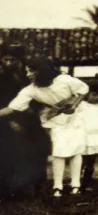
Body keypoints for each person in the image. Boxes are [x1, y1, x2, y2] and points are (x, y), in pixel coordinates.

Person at [0, 57, 89, 197]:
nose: (28, 74)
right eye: (27, 71)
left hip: (76, 117)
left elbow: (84, 89)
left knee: (76, 149)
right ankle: (57, 186)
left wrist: (74, 105)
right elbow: (13, 108)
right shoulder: (30, 90)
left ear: (42, 71)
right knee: (58, 150)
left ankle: (75, 185)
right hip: (53, 118)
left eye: (31, 71)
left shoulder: (64, 80)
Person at [0, 44, 49, 202]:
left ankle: (37, 190)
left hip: (31, 121)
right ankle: (9, 192)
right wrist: (9, 122)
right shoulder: (1, 77)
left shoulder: (28, 74)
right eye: (5, 59)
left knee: (36, 153)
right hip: (7, 122)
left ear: (19, 60)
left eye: (12, 60)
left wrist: (33, 111)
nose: (9, 63)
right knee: (9, 157)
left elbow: (38, 96)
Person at [80, 80, 98, 191]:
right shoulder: (82, 105)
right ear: (87, 94)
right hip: (85, 136)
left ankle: (87, 182)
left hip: (96, 136)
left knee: (91, 161)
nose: (96, 98)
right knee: (82, 160)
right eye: (94, 95)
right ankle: (77, 181)